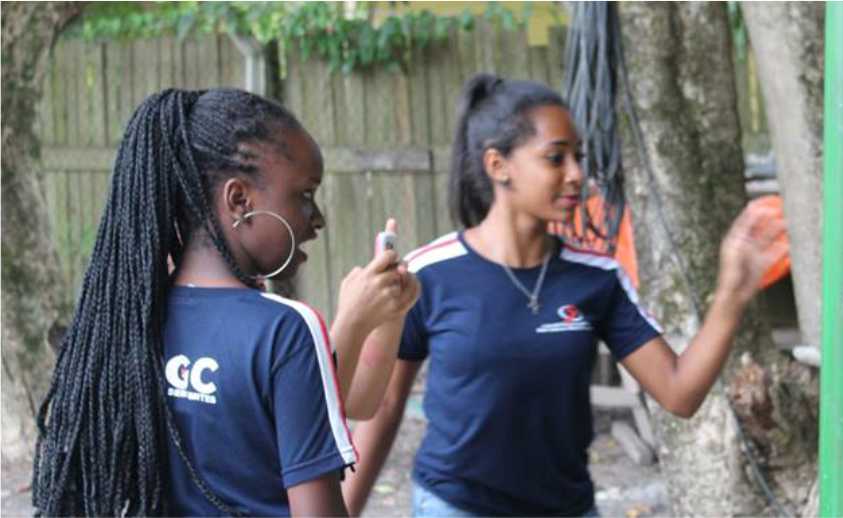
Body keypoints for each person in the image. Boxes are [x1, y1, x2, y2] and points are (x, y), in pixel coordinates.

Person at [341, 74, 787, 517]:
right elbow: (382, 404)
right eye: (556, 159)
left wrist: (732, 292)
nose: (576, 175)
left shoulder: (595, 277)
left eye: (579, 157)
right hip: (455, 506)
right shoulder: (431, 273)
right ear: (498, 166)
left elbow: (679, 394)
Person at [32, 88, 419, 517]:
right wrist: (350, 320)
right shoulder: (285, 329)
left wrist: (377, 319)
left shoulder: (127, 322)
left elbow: (349, 403)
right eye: (305, 195)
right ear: (239, 201)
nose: (319, 218)